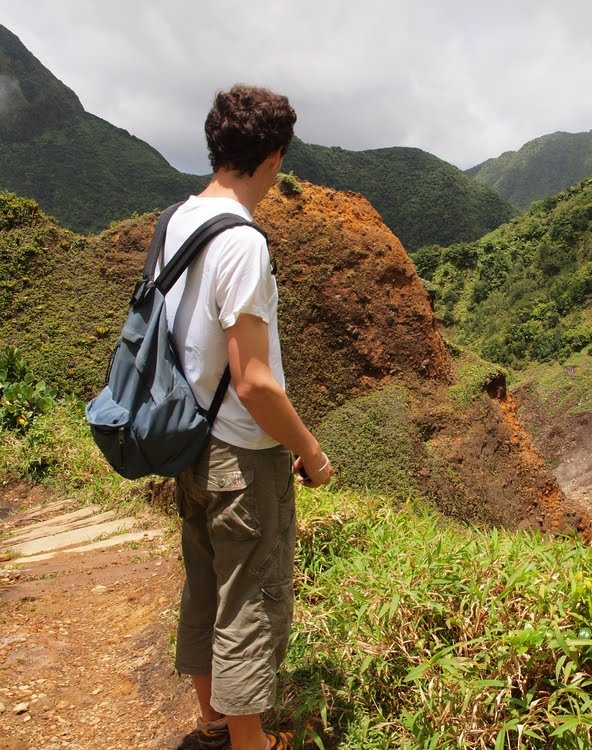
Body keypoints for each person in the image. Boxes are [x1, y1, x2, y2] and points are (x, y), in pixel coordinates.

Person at [164, 84, 333, 750]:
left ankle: (212, 720)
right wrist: (311, 453)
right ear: (273, 156)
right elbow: (255, 381)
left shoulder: (177, 221)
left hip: (190, 445)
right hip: (240, 452)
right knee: (251, 598)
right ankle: (249, 740)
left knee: (206, 582)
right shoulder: (242, 243)